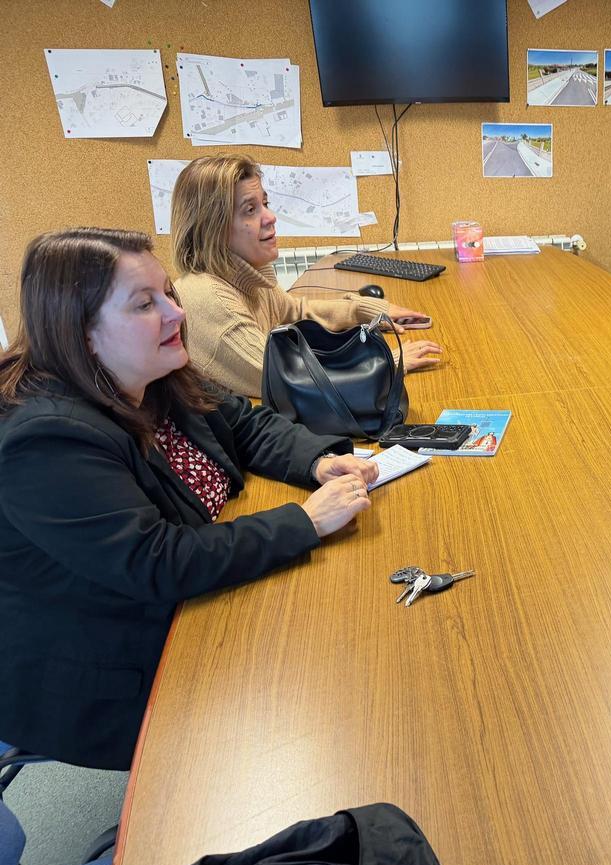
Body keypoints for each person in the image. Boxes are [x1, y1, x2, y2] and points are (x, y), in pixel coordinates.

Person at [0, 228, 381, 770]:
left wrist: (317, 462)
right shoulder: (46, 440)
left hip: (189, 604)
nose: (176, 314)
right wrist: (304, 521)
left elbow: (244, 424)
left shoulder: (151, 373)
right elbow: (157, 561)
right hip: (112, 667)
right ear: (81, 333)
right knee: (319, 700)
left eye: (168, 294)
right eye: (144, 304)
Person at [170, 154, 442, 398]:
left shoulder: (244, 277)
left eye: (265, 203)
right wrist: (386, 363)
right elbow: (291, 381)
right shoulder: (212, 302)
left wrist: (364, 310)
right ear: (211, 228)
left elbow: (295, 311)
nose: (270, 217)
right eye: (250, 209)